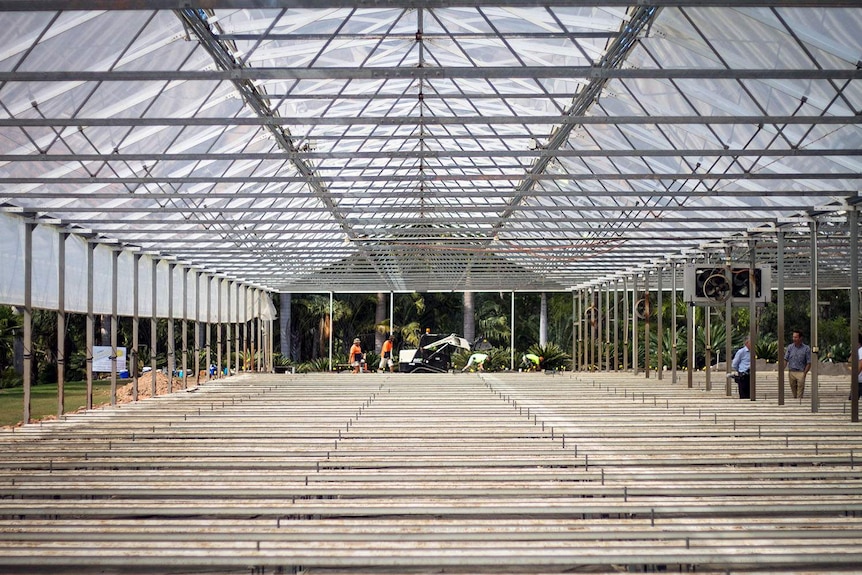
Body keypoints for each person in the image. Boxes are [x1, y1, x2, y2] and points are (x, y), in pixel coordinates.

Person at [784, 330, 811, 399]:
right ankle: (795, 401)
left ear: (800, 338)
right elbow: (786, 359)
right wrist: (782, 369)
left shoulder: (806, 348)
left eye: (796, 337)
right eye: (793, 337)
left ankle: (799, 403)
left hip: (801, 372)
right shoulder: (790, 347)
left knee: (800, 391)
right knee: (794, 391)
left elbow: (809, 362)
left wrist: (804, 373)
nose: (794, 339)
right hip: (791, 372)